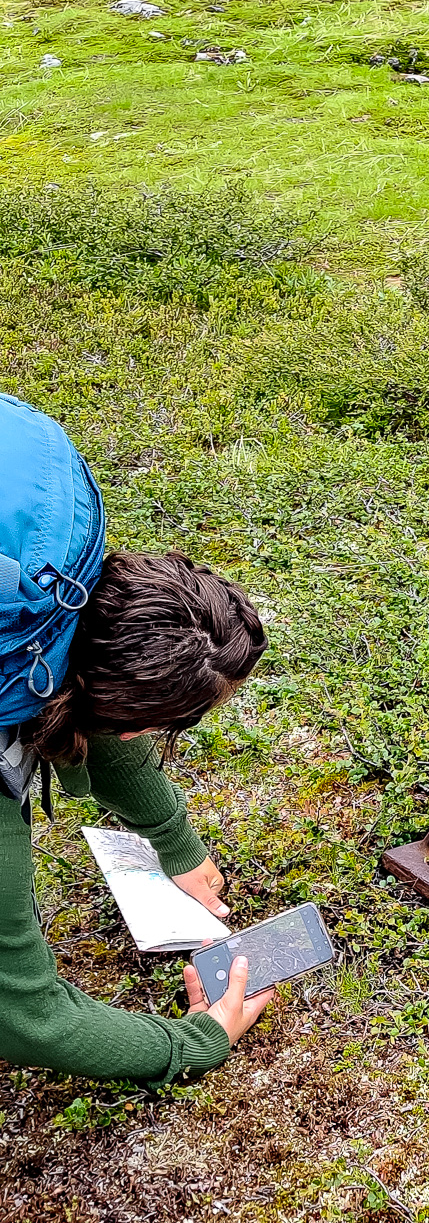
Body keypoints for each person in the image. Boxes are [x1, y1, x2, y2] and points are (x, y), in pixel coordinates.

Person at [0, 395, 275, 1084]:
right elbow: (30, 1020)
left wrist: (172, 840)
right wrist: (198, 1040)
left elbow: (86, 676)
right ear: (127, 723)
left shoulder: (51, 588)